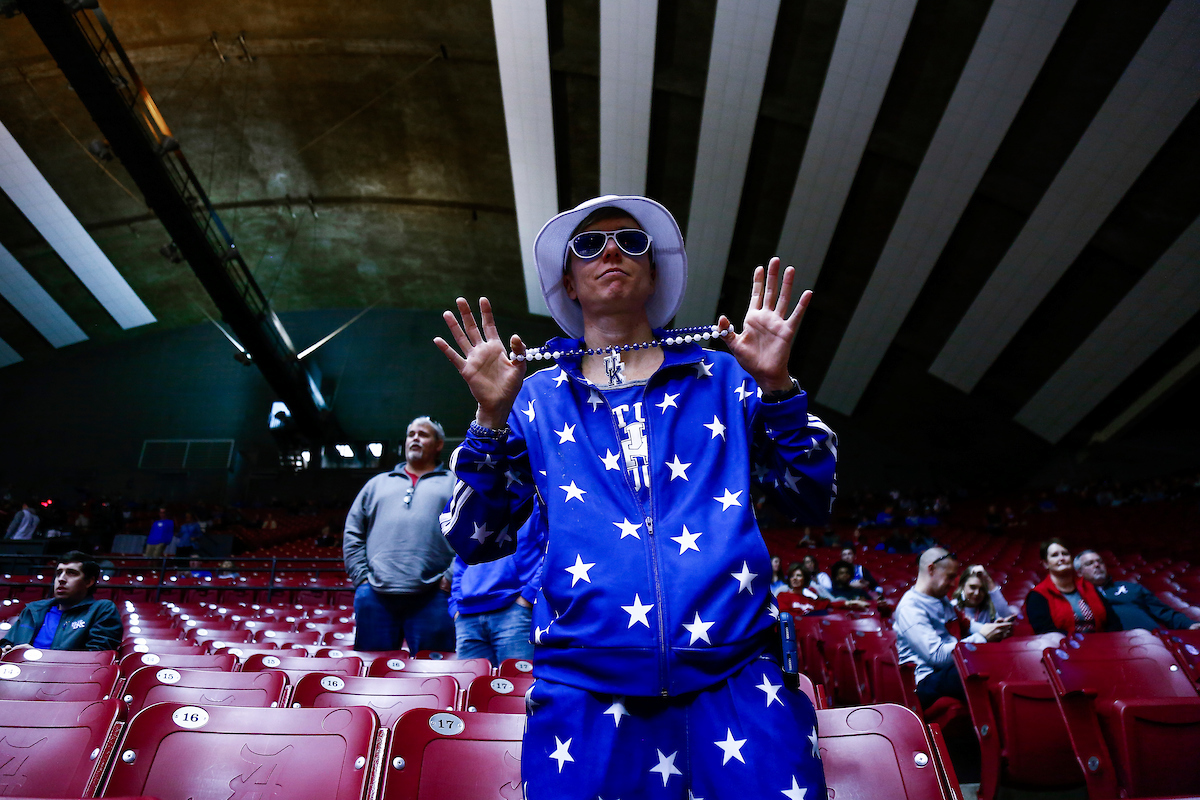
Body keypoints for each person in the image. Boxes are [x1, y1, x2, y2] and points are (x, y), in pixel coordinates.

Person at [435, 195, 834, 798]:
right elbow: (474, 539)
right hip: (585, 687)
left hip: (737, 674)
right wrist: (489, 420)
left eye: (631, 241)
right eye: (588, 245)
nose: (611, 252)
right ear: (569, 282)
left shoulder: (726, 375)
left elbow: (813, 497)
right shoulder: (533, 397)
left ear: (653, 271)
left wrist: (777, 386)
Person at [343, 417, 457, 652]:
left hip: (434, 595)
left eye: (423, 434)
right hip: (375, 595)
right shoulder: (376, 484)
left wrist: (450, 577)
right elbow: (353, 532)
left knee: (434, 670)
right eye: (411, 434)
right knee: (374, 669)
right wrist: (362, 579)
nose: (415, 438)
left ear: (438, 445)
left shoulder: (455, 483)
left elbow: (472, 534)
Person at [895, 548, 1012, 707]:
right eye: (950, 577)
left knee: (995, 659)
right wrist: (982, 637)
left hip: (949, 669)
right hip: (927, 681)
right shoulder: (910, 607)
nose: (952, 584)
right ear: (931, 569)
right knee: (974, 669)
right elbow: (936, 656)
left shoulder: (941, 599)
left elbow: (967, 625)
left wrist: (992, 629)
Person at [451, 510, 546, 667]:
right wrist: (455, 604)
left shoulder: (535, 500)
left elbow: (552, 551)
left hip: (514, 610)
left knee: (517, 680)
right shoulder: (473, 502)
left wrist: (529, 597)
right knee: (469, 680)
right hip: (466, 614)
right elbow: (461, 558)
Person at [0, 551, 122, 653]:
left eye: (71, 573)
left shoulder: (101, 610)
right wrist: (6, 650)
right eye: (59, 573)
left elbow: (97, 658)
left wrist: (37, 657)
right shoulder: (33, 610)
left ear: (89, 582)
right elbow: (7, 643)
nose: (61, 579)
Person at [1074, 549, 1200, 631]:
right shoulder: (1074, 597)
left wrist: (1188, 623)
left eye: (1100, 562)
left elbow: (1164, 612)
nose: (1097, 565)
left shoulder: (1131, 588)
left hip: (1152, 643)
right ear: (1079, 572)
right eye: (1090, 563)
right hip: (1107, 648)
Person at [1025, 539, 1121, 636]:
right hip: (1063, 644)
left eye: (1065, 554)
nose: (1061, 558)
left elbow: (1113, 621)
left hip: (1101, 642)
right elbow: (1046, 631)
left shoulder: (1088, 586)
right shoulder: (1038, 595)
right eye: (1055, 555)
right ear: (1045, 563)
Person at [952, 564, 1018, 625]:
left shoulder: (988, 608)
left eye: (982, 589)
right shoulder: (953, 607)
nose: (977, 593)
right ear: (962, 586)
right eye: (972, 587)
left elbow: (1006, 616)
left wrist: (988, 581)